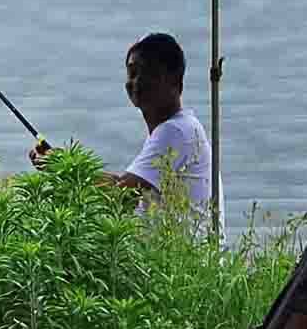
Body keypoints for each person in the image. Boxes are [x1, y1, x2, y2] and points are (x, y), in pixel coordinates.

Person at [30, 31, 213, 221]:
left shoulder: (175, 131)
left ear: (176, 82)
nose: (137, 81)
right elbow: (123, 183)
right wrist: (62, 162)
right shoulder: (180, 128)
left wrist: (63, 167)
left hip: (179, 251)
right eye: (132, 73)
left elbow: (121, 196)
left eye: (149, 73)